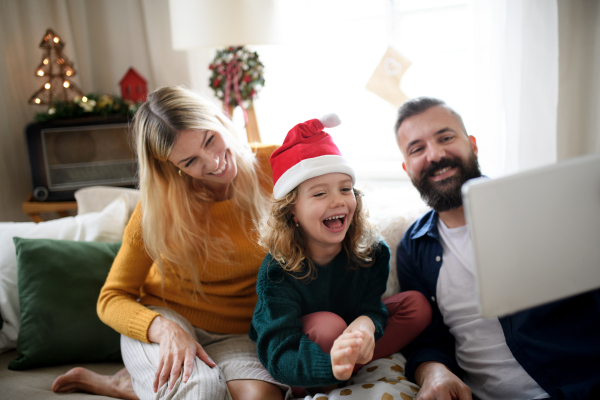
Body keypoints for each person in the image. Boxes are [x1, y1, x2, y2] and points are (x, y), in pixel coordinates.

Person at [52, 86, 289, 400]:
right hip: (167, 321)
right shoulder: (157, 207)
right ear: (171, 166)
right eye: (190, 161)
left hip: (238, 333)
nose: (213, 162)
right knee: (201, 393)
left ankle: (128, 386)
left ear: (218, 118)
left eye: (209, 139)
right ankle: (139, 380)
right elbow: (111, 298)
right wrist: (164, 329)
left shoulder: (276, 165)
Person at [394, 97, 600, 400]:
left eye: (446, 137)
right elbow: (428, 337)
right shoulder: (412, 247)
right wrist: (432, 370)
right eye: (417, 148)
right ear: (406, 167)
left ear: (472, 144)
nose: (435, 155)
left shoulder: (540, 205)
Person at [249, 115, 432, 396]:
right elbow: (278, 350)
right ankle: (332, 375)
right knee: (328, 326)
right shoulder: (277, 271)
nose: (338, 200)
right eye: (320, 193)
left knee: (416, 306)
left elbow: (371, 306)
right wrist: (328, 365)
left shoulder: (373, 251)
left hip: (346, 342)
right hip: (301, 355)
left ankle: (349, 365)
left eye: (345, 189)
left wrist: (367, 323)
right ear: (292, 212)